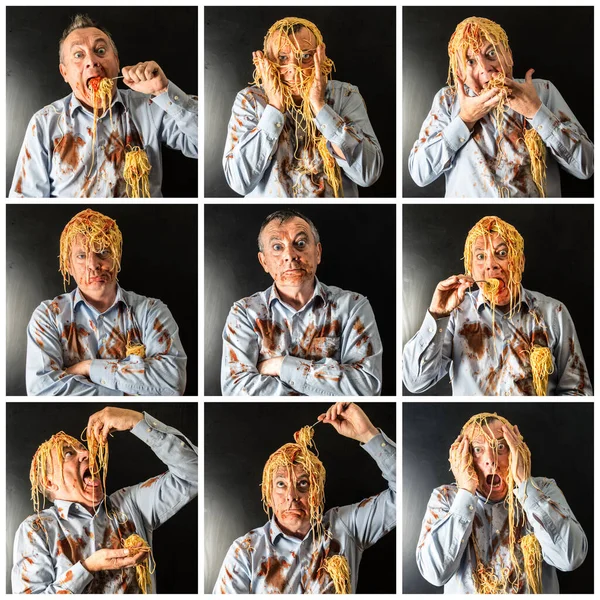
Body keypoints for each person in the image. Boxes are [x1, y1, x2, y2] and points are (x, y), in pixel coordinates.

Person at [12, 406, 198, 593]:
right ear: (49, 482)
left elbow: (196, 473)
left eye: (83, 449)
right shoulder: (37, 530)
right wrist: (87, 568)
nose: (87, 454)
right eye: (69, 453)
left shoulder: (129, 504)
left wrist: (137, 421)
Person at [9, 13, 198, 198]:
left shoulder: (150, 105)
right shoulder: (44, 123)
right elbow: (25, 197)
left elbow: (201, 145)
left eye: (100, 51)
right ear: (64, 72)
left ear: (116, 61)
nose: (92, 61)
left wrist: (163, 91)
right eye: (78, 55)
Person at [214, 402, 395, 593]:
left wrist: (367, 433)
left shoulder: (346, 527)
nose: (291, 497)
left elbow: (404, 492)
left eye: (303, 484)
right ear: (268, 496)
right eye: (281, 484)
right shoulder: (245, 552)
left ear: (316, 491)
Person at [402, 215, 592, 395]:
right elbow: (414, 382)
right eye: (480, 256)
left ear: (521, 262)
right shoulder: (456, 313)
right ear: (470, 267)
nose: (491, 265)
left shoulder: (554, 313)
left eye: (502, 253)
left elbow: (578, 391)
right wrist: (437, 314)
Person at [408, 16, 593, 197]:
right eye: (470, 61)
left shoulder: (543, 91)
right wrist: (464, 120)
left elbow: (586, 167)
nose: (485, 68)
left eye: (491, 54)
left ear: (509, 55)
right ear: (459, 72)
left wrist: (536, 111)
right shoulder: (447, 101)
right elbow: (419, 173)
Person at [416, 412, 587, 593]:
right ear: (464, 457)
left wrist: (526, 486)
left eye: (500, 447)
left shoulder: (544, 490)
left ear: (515, 450)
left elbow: (571, 559)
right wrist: (466, 491)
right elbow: (434, 573)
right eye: (478, 450)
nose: (491, 460)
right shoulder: (445, 498)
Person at [26, 208, 187, 395]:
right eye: (81, 256)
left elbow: (172, 383)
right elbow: (42, 390)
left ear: (116, 257)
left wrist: (88, 368)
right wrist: (128, 390)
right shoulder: (48, 316)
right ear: (68, 265)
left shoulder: (152, 312)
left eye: (103, 252)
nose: (93, 265)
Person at [221, 209, 382, 395]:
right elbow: (236, 390)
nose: (290, 255)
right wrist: (324, 386)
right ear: (264, 262)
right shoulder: (244, 313)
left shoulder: (353, 306)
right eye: (277, 247)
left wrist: (281, 366)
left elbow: (366, 386)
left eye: (300, 243)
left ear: (318, 253)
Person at [223, 16, 383, 198]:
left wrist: (320, 106)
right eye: (283, 58)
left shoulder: (345, 96)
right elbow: (239, 182)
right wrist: (275, 108)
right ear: (268, 59)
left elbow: (368, 174)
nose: (294, 68)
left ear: (320, 55)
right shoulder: (250, 101)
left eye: (305, 56)